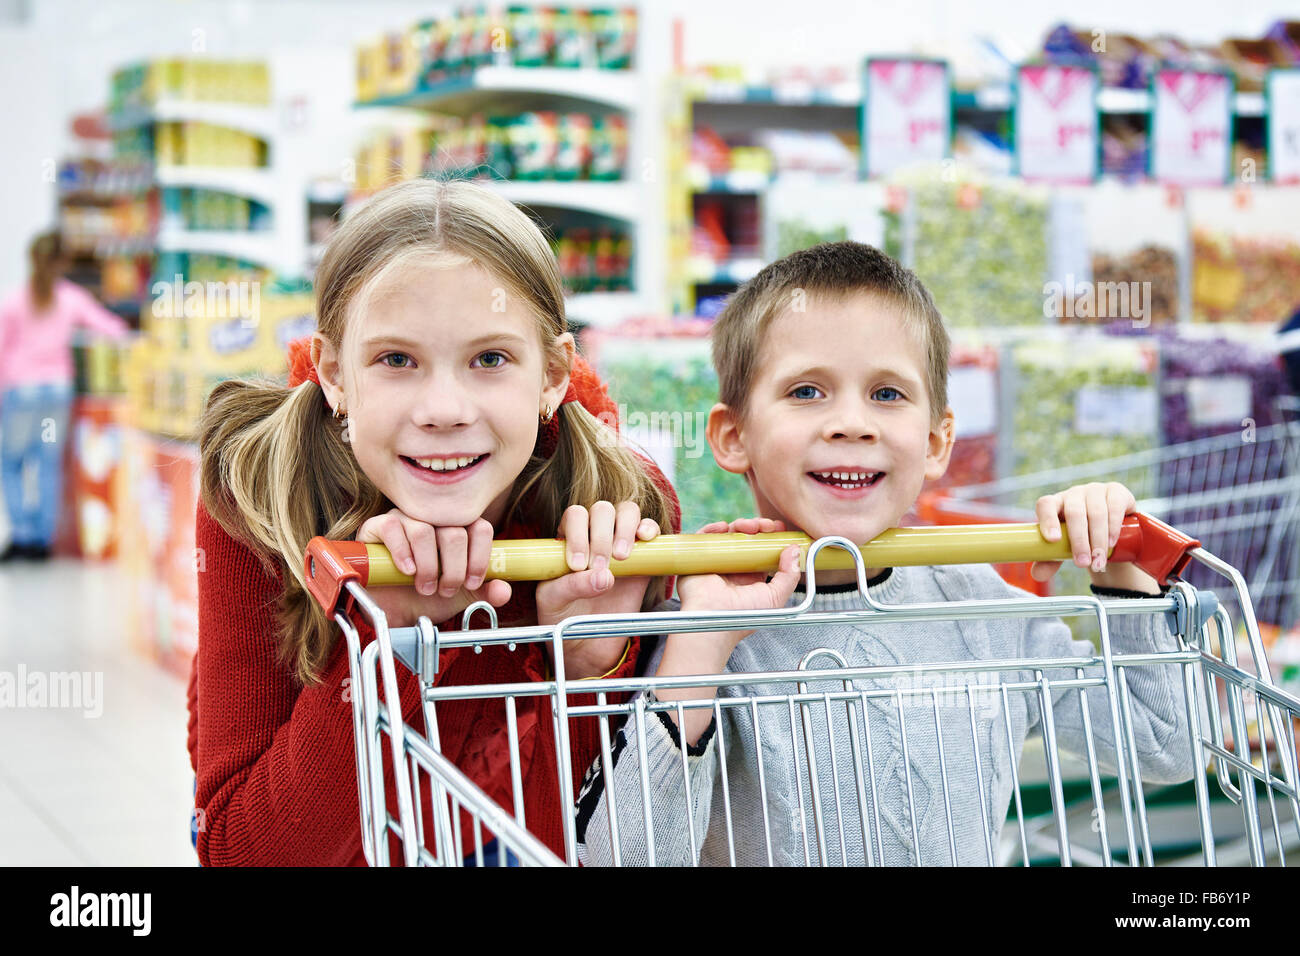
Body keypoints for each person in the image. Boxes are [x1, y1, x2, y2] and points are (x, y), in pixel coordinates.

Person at [575, 241, 1195, 866]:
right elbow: (621, 859)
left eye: (888, 394)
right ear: (734, 438)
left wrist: (1124, 577)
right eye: (807, 392)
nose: (851, 423)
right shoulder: (699, 623)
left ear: (935, 441)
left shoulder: (988, 616)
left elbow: (1165, 748)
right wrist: (700, 652)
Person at [188, 178, 680, 866]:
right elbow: (244, 851)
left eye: (490, 359)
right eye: (396, 360)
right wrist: (381, 646)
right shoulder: (260, 503)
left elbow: (572, 839)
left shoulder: (612, 505)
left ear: (554, 373)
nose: (443, 408)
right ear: (334, 372)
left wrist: (585, 664)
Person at [0, 231, 131, 561]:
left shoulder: (13, 300)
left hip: (22, 392)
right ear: (63, 262)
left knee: (12, 464)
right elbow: (114, 330)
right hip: (58, 392)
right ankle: (43, 543)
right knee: (48, 465)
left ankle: (21, 536)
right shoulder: (72, 298)